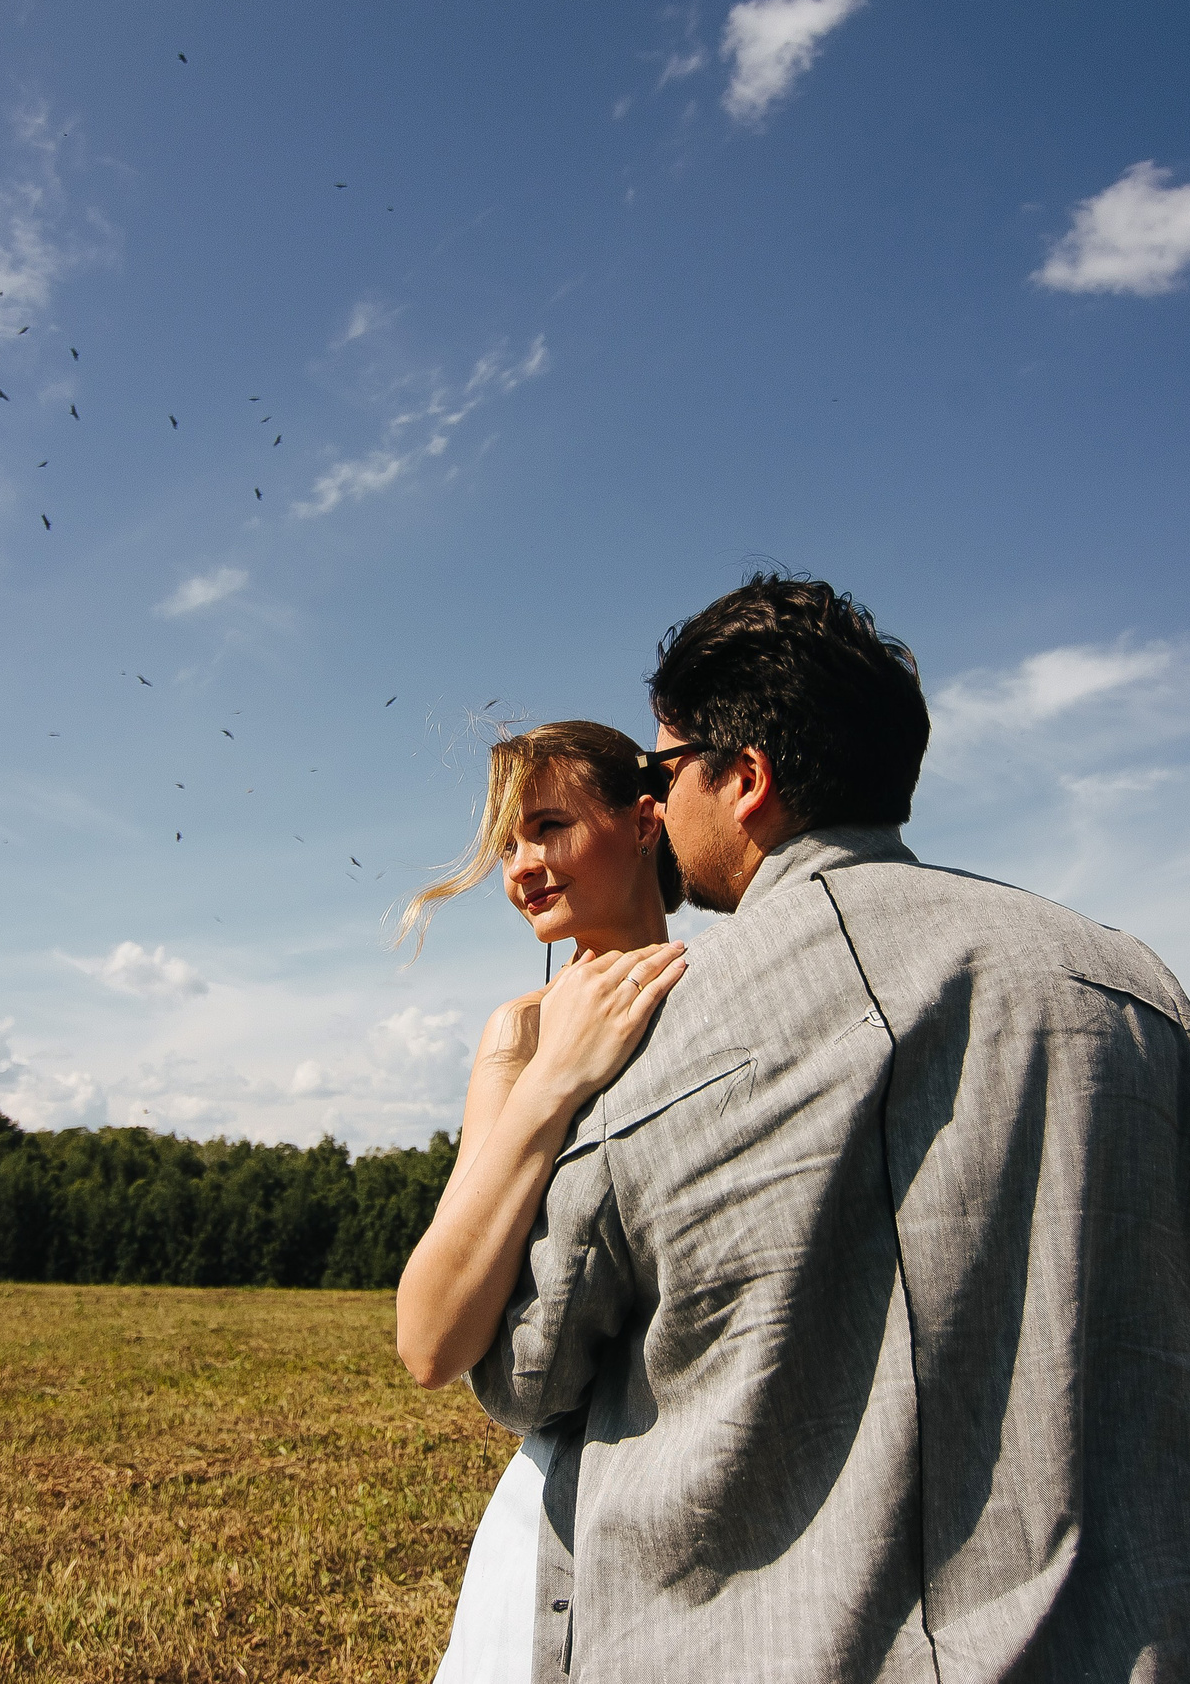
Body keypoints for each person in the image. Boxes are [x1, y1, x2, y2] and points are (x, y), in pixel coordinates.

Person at [465, 575, 1190, 1683]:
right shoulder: (1142, 993)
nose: (659, 806)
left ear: (746, 779)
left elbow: (527, 1368)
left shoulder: (653, 1028)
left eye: (667, 772)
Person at [392, 720, 694, 1684]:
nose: (521, 868)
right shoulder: (518, 1036)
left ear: (646, 822)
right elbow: (430, 1340)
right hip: (558, 1520)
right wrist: (555, 1079)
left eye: (549, 827)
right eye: (508, 844)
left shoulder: (726, 997)